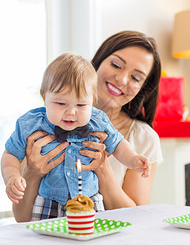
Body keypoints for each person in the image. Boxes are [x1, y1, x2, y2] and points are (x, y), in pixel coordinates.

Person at [5, 30, 163, 222]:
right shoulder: (37, 124)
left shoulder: (142, 138)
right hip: (47, 210)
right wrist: (27, 174)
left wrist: (108, 167)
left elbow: (137, 219)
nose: (122, 79)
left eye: (136, 78)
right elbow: (22, 218)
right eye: (116, 65)